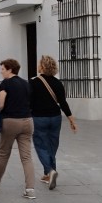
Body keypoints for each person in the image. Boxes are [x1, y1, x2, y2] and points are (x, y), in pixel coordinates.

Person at [31, 55, 79, 191]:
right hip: (55, 118)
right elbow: (63, 103)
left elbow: (29, 102)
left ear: (41, 66)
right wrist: (71, 119)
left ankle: (50, 171)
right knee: (52, 145)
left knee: (40, 145)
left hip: (39, 118)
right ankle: (49, 174)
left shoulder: (34, 83)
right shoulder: (58, 83)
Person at [0, 58, 36, 199]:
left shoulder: (5, 83)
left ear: (10, 69)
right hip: (27, 121)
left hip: (10, 121)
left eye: (3, 69)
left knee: (4, 153)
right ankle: (30, 189)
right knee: (26, 156)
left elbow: (0, 104)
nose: (1, 72)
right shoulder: (25, 83)